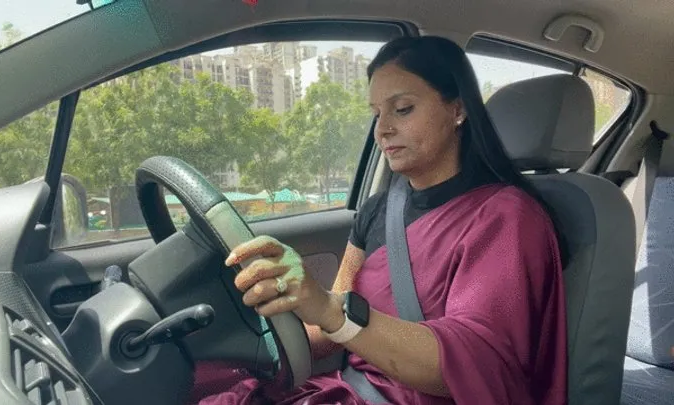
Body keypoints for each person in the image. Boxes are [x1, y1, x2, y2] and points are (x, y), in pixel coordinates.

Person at [198, 35, 568, 405]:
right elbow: (327, 331)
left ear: (457, 109)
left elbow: (471, 366)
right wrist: (248, 331)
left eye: (402, 109)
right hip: (348, 391)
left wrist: (327, 307)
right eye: (377, 114)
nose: (382, 130)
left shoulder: (508, 218)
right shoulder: (377, 210)